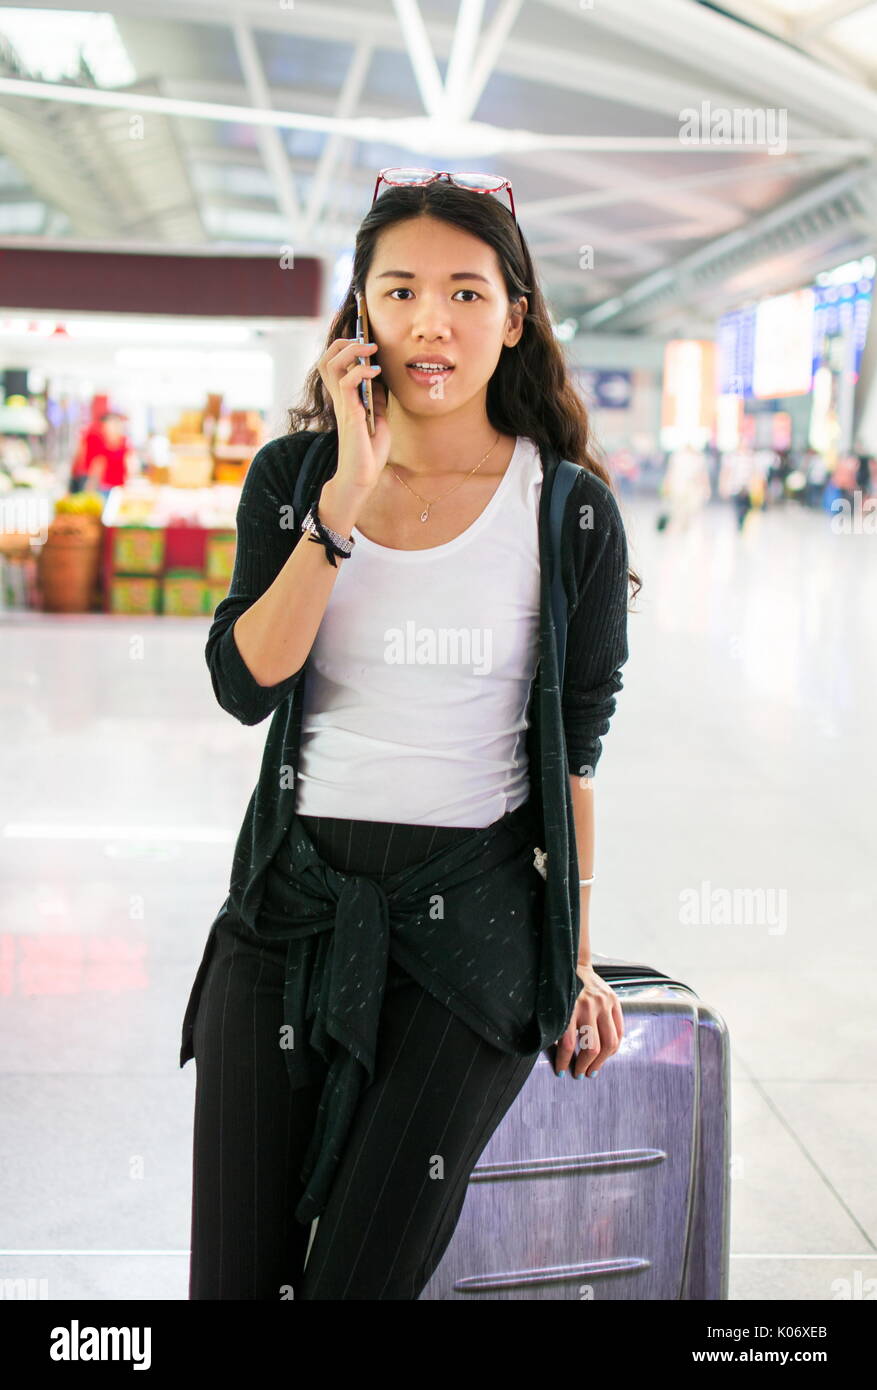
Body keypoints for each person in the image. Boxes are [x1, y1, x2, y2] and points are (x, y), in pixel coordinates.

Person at [179, 171, 639, 1301]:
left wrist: (572, 954)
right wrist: (343, 500)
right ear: (361, 316)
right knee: (235, 1281)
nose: (431, 321)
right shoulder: (297, 478)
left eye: (466, 293)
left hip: (472, 926)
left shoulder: (563, 506)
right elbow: (246, 682)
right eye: (399, 291)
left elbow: (576, 752)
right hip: (290, 903)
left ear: (515, 316)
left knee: (359, 1279)